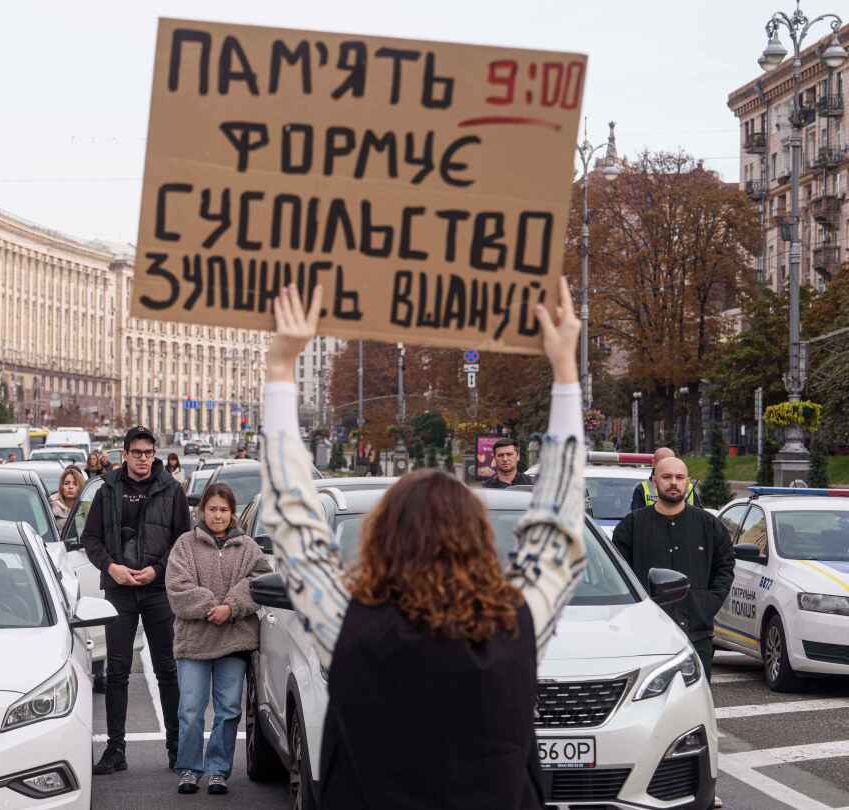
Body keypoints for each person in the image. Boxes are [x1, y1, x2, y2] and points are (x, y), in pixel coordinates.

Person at [261, 281, 587, 809]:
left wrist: (281, 370)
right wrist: (565, 372)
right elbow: (559, 525)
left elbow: (295, 526)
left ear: (383, 539)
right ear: (480, 541)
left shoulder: (350, 621)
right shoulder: (516, 621)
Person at [82, 425, 192, 775]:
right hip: (119, 591)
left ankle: (177, 749)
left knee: (168, 671)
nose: (144, 459)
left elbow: (182, 541)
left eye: (149, 452)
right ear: (125, 454)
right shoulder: (107, 490)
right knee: (116, 672)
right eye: (137, 453)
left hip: (158, 591)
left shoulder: (171, 490)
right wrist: (111, 567)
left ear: (154, 453)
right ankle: (116, 750)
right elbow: (91, 538)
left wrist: (157, 571)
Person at [166, 483, 271, 795]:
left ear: (232, 513)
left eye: (223, 510)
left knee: (227, 710)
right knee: (190, 709)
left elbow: (259, 580)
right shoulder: (185, 545)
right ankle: (188, 768)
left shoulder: (248, 547)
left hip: (233, 642)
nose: (217, 515)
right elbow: (177, 587)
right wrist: (213, 607)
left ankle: (217, 770)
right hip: (194, 643)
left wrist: (233, 607)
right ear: (202, 511)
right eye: (212, 509)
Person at [613, 456, 734, 677]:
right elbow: (617, 575)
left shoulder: (709, 526)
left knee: (696, 704)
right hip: (644, 634)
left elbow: (725, 567)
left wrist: (707, 603)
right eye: (667, 476)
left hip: (696, 634)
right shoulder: (632, 526)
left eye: (680, 477)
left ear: (687, 481)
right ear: (654, 481)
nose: (674, 482)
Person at [628, 447, 700, 511]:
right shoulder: (642, 489)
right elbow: (637, 519)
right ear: (653, 463)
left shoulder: (689, 488)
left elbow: (699, 517)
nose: (666, 466)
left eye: (670, 462)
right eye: (662, 462)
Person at [49, 466, 86, 533]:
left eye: (75, 484)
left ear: (80, 486)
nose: (70, 487)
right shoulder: (51, 508)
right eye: (66, 483)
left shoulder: (87, 508)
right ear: (61, 486)